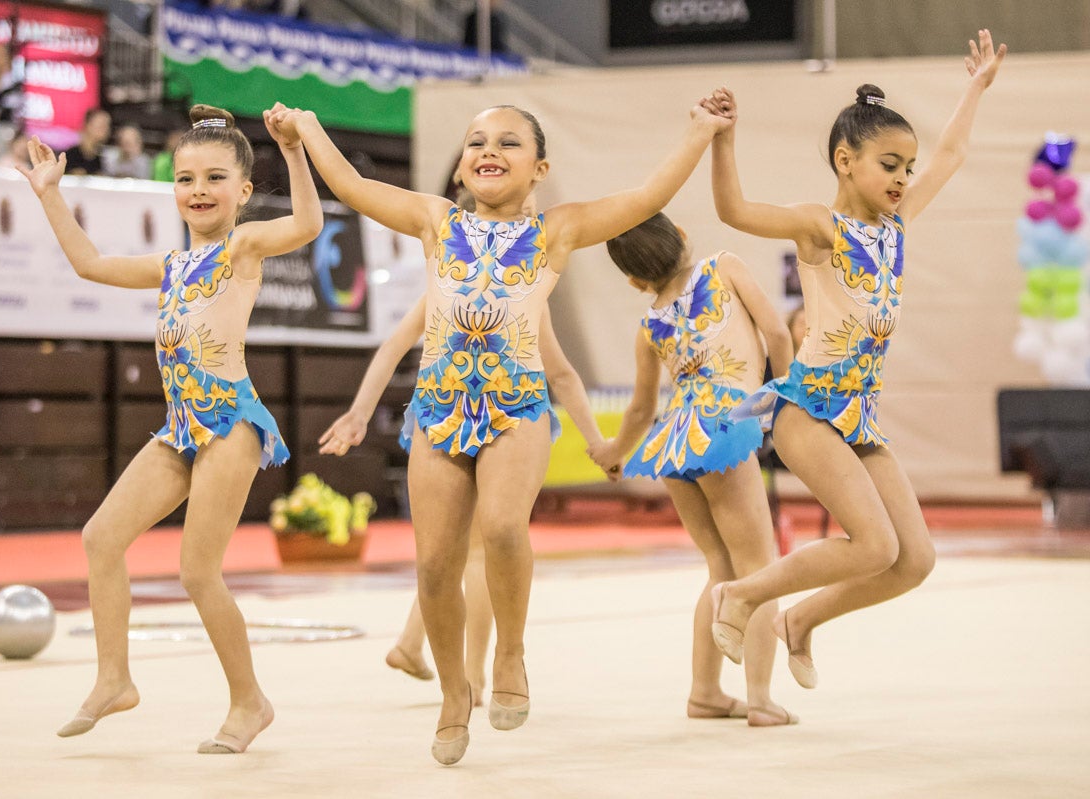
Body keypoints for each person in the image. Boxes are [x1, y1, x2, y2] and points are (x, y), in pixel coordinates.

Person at [284, 96, 727, 764]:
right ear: (461, 169)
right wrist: (309, 126)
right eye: (476, 141)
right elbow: (352, 185)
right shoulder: (435, 221)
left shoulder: (557, 230)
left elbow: (645, 195)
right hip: (440, 409)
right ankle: (453, 691)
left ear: (539, 167)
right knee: (434, 563)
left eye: (509, 143)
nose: (489, 150)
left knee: (498, 529)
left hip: (516, 406)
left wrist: (699, 132)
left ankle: (512, 655)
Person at [701, 30, 1007, 689]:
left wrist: (974, 89)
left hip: (859, 415)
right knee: (874, 544)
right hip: (808, 406)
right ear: (846, 160)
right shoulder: (823, 228)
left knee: (913, 559)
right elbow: (733, 210)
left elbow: (950, 154)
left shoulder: (894, 229)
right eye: (889, 164)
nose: (902, 178)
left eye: (906, 166)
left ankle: (801, 620)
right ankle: (743, 594)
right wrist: (724, 140)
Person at [15, 102, 323, 753]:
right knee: (101, 536)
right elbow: (90, 264)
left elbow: (306, 222)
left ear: (242, 191)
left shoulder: (242, 248)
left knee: (196, 570)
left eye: (215, 178)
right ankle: (114, 677)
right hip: (182, 427)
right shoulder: (171, 267)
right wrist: (50, 196)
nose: (199, 191)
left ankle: (249, 701)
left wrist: (293, 150)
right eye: (186, 179)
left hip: (232, 423)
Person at [318, 294, 608, 709]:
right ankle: (469, 673)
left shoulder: (483, 286)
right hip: (457, 418)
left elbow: (394, 347)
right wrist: (359, 413)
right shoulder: (490, 287)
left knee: (458, 549)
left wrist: (362, 411)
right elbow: (560, 373)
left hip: (491, 421)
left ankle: (415, 643)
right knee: (467, 553)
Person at [587, 212, 795, 726]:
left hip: (675, 438)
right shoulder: (723, 268)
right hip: (724, 426)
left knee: (720, 569)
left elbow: (638, 410)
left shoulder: (649, 325)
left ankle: (705, 692)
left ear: (635, 281)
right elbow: (776, 333)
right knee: (759, 570)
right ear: (682, 233)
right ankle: (762, 699)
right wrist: (783, 399)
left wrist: (615, 452)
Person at [63, 107, 112, 176]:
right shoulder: (69, 156)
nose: (106, 130)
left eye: (108, 126)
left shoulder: (104, 158)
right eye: (101, 125)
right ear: (87, 125)